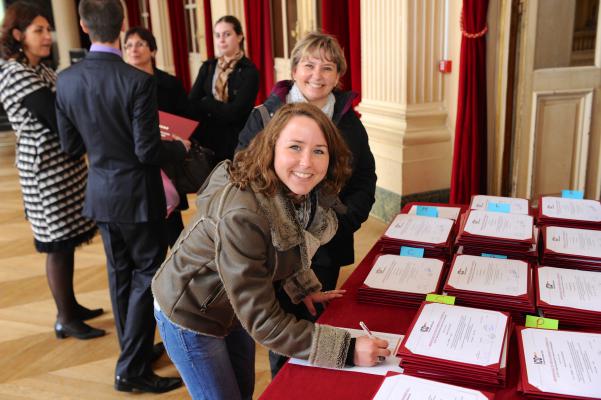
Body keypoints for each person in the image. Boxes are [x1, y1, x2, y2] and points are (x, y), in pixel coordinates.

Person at [152, 103, 390, 400]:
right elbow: (264, 322)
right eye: (295, 147)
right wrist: (347, 349)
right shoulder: (243, 213)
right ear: (271, 148)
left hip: (233, 305)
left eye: (319, 150)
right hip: (190, 311)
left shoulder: (299, 190)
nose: (307, 162)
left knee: (243, 391)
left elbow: (287, 242)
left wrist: (302, 288)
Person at [55, 0, 183, 393]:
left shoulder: (66, 79)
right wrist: (176, 147)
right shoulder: (137, 81)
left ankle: (136, 353)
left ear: (82, 26)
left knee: (121, 276)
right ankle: (131, 368)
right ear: (123, 26)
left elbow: (70, 146)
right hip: (138, 197)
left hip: (102, 195)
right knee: (146, 276)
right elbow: (147, 152)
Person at [236, 31, 377, 375]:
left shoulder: (350, 123)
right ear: (294, 69)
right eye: (309, 65)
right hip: (273, 245)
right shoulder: (265, 116)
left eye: (328, 67)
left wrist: (341, 222)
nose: (317, 75)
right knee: (284, 333)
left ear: (338, 76)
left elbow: (364, 180)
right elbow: (243, 172)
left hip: (326, 246)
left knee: (320, 324)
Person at [0, 1, 103, 340]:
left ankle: (71, 306)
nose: (48, 36)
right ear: (18, 35)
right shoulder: (14, 72)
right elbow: (56, 118)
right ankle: (65, 318)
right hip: (45, 173)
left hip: (65, 168)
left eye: (48, 29)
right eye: (38, 30)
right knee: (56, 244)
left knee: (66, 241)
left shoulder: (40, 68)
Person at [124, 26, 190, 247]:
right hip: (138, 164)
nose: (134, 50)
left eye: (140, 44)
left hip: (169, 159)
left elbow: (185, 117)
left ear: (152, 50)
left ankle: (182, 272)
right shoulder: (121, 84)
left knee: (174, 227)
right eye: (129, 45)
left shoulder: (169, 84)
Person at [188, 15, 259, 163]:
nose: (221, 39)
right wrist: (218, 108)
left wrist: (207, 102)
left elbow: (236, 112)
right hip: (207, 139)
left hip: (236, 140)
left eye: (227, 34)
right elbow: (192, 102)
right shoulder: (208, 67)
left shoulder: (249, 71)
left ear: (239, 37)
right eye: (218, 35)